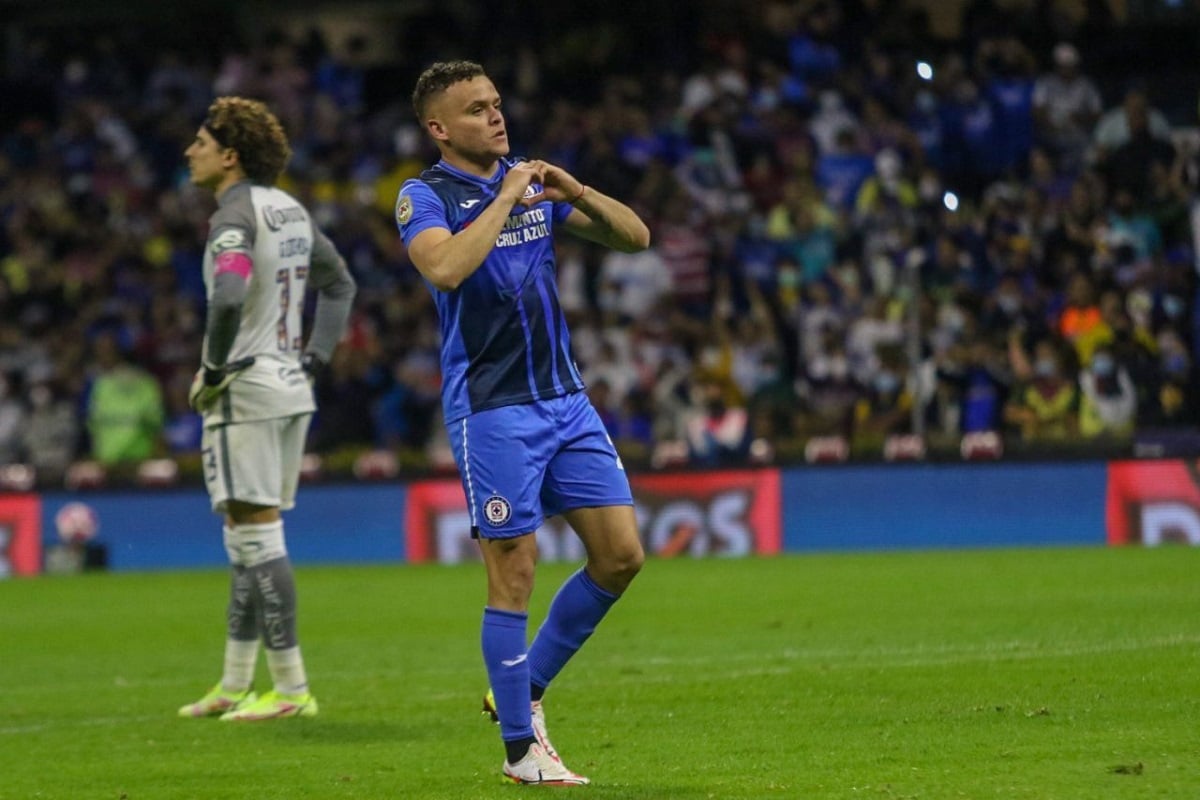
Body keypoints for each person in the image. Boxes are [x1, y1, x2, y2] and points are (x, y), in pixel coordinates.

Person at [395, 61, 649, 785]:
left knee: (621, 556)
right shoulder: (425, 195)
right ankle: (519, 751)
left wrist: (577, 193)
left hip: (565, 400)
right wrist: (506, 199)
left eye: (497, 104)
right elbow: (444, 270)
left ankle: (521, 686)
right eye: (476, 110)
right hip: (494, 408)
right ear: (440, 128)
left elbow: (636, 238)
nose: (496, 118)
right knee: (514, 571)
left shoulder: (533, 182)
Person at [176, 97, 356, 722]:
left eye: (199, 142)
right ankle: (232, 682)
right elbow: (340, 284)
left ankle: (290, 688)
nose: (188, 152)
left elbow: (227, 298)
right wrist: (316, 355)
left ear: (229, 155)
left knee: (256, 536)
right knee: (245, 539)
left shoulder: (234, 212)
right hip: (289, 386)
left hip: (246, 392)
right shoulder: (290, 209)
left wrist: (215, 370)